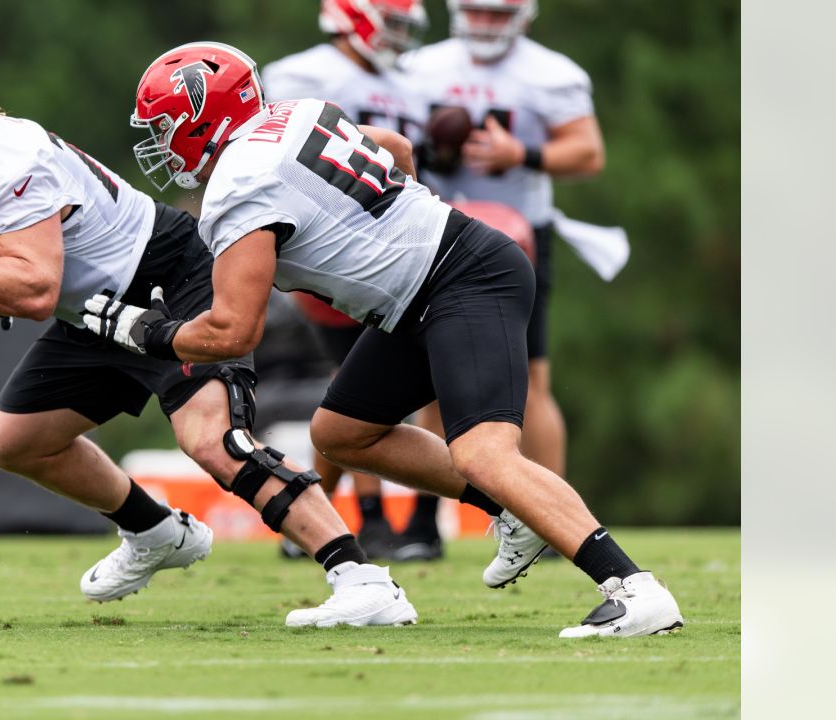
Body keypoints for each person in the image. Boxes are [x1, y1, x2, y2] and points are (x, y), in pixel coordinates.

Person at [90, 41, 683, 637]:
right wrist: (396, 228)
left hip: (460, 278)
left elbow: (235, 330)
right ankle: (513, 511)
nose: (161, 144)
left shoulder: (237, 186)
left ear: (203, 117)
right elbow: (396, 150)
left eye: (166, 127)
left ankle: (632, 588)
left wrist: (150, 332)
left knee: (482, 452)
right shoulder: (296, 114)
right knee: (342, 433)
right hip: (430, 285)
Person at [0, 45, 417, 627]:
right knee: (14, 440)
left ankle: (359, 576)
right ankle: (154, 530)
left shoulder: (10, 159)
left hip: (170, 279)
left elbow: (33, 293)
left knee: (213, 440)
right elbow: (9, 260)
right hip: (100, 311)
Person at [396, 0, 607, 557]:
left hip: (518, 239)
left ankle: (560, 519)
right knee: (430, 378)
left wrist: (523, 153)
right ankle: (423, 520)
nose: (485, 23)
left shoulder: (551, 73)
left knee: (532, 380)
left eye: (497, 13)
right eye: (477, 11)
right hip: (434, 233)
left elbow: (588, 152)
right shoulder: (420, 66)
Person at [262, 0, 438, 561]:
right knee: (357, 384)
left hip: (396, 243)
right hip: (335, 243)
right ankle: (369, 517)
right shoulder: (302, 74)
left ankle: (317, 512)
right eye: (394, 22)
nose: (399, 38)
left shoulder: (411, 83)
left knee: (358, 389)